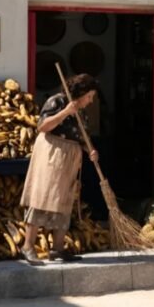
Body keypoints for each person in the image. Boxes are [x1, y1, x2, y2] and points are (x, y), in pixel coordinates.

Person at [20, 74, 100, 265]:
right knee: (42, 197)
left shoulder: (82, 112)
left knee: (64, 200)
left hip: (70, 159)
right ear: (80, 93)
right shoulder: (57, 101)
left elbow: (82, 138)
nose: (90, 101)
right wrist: (65, 112)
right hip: (51, 154)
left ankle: (57, 249)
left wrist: (91, 150)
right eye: (89, 96)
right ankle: (28, 246)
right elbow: (43, 126)